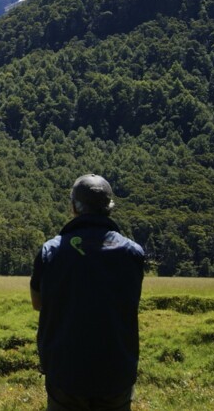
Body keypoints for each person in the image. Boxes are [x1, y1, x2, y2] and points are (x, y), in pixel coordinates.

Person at [30, 174, 145, 411]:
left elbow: (37, 302)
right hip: (116, 370)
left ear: (73, 207)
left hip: (65, 371)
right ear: (109, 207)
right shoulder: (133, 253)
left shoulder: (50, 251)